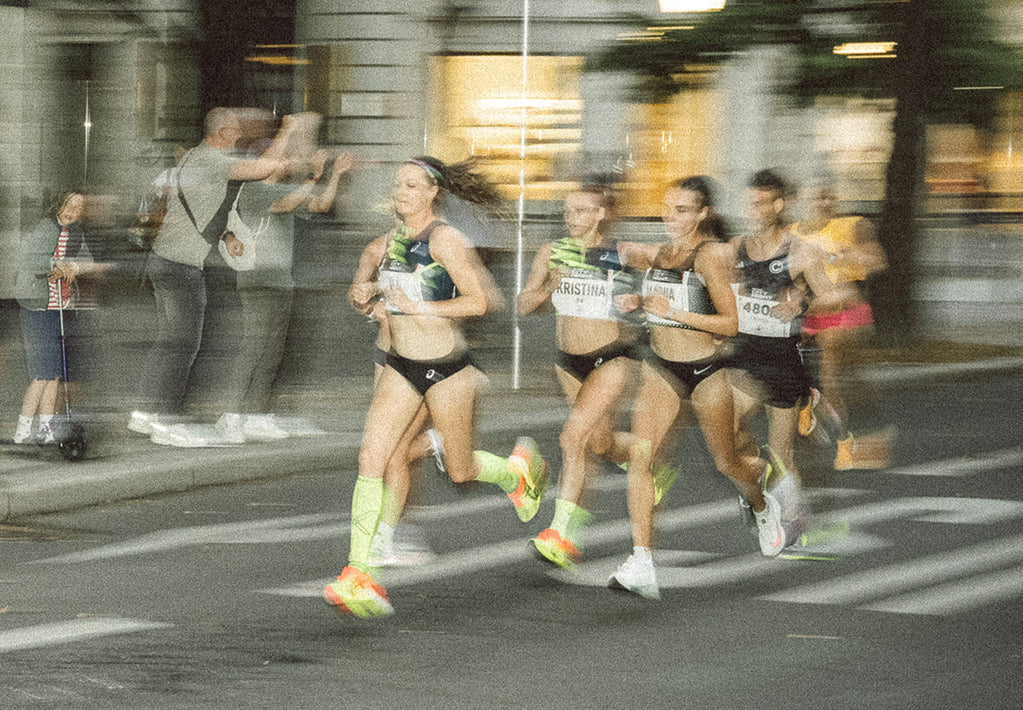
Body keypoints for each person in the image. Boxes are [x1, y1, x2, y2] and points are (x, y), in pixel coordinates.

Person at [323, 156, 549, 619]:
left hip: (447, 368)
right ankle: (358, 574)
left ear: (432, 193)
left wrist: (423, 309)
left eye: (412, 185)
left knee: (461, 469)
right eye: (398, 185)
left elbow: (481, 301)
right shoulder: (387, 244)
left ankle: (515, 472)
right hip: (401, 366)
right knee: (372, 457)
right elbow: (363, 292)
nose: (402, 192)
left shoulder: (447, 239)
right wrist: (364, 300)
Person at [608, 176, 778, 598]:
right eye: (668, 208)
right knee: (642, 457)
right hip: (663, 368)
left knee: (728, 464)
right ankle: (642, 560)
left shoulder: (711, 256)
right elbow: (658, 301)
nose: (672, 217)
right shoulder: (663, 251)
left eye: (683, 210)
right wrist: (638, 304)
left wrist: (676, 314)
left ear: (703, 214)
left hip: (705, 371)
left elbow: (730, 323)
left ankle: (760, 503)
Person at [127, 108, 308, 439]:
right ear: (222, 133)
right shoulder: (213, 160)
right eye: (236, 131)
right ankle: (164, 417)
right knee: (183, 344)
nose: (239, 136)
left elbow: (198, 208)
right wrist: (286, 133)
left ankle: (143, 413)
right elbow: (262, 168)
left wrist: (227, 235)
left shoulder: (195, 158)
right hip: (180, 265)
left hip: (166, 260)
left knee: (171, 342)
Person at [518, 182, 643, 570]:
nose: (572, 218)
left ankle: (562, 536)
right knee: (600, 444)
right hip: (568, 363)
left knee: (573, 437)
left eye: (582, 211)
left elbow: (657, 299)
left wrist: (638, 303)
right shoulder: (551, 253)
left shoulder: (624, 254)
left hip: (612, 358)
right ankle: (645, 458)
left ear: (601, 214)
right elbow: (524, 305)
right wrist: (548, 288)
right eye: (568, 211)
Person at [724, 169, 839, 547]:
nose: (753, 210)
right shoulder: (738, 247)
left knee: (781, 451)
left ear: (779, 204)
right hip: (745, 355)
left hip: (783, 361)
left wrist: (801, 301)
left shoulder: (800, 252)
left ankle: (793, 510)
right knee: (731, 431)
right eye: (749, 202)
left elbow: (834, 297)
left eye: (761, 203)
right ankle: (754, 482)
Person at [215, 147, 354, 442]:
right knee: (254, 350)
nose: (290, 162)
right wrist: (314, 175)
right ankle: (230, 415)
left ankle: (256, 415)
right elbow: (283, 205)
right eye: (285, 158)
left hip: (282, 281)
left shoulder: (289, 188)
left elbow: (320, 205)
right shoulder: (253, 190)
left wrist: (336, 176)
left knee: (271, 354)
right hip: (258, 280)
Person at [792, 179, 890, 470]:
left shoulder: (852, 226)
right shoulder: (792, 232)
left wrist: (845, 254)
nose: (823, 203)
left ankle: (839, 439)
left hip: (846, 312)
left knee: (830, 375)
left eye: (828, 196)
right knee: (841, 378)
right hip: (809, 314)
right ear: (803, 200)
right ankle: (851, 420)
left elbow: (878, 261)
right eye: (816, 197)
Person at [12, 191, 91, 443]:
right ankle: (22, 430)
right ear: (59, 204)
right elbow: (28, 259)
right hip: (38, 308)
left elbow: (85, 260)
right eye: (69, 204)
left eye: (78, 206)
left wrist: (73, 268)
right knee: (42, 373)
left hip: (60, 308)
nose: (72, 210)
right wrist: (53, 266)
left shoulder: (76, 232)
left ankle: (46, 430)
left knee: (55, 374)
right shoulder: (45, 228)